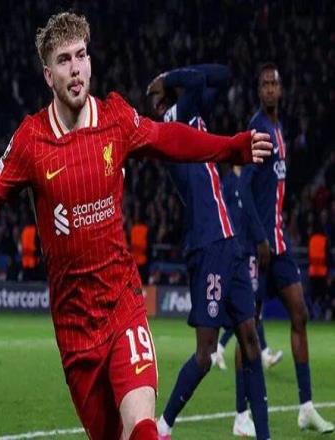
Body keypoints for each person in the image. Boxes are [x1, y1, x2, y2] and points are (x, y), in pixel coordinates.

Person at [0, 13, 271, 440]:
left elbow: (169, 138)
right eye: (64, 60)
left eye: (81, 55)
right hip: (74, 326)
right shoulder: (31, 141)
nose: (75, 69)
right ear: (48, 75)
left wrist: (231, 148)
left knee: (142, 426)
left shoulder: (116, 118)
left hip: (122, 303)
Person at [147, 65, 270, 440]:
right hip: (207, 244)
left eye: (156, 94)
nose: (153, 101)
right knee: (205, 354)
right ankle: (163, 426)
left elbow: (223, 75)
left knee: (250, 338)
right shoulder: (171, 123)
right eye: (153, 97)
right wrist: (168, 79)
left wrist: (170, 79)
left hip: (229, 241)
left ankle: (264, 435)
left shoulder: (193, 115)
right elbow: (200, 80)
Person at [242, 62, 333, 433]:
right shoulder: (259, 129)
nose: (269, 89)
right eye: (264, 84)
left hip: (278, 243)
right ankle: (242, 414)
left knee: (300, 313)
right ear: (258, 90)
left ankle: (306, 407)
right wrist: (259, 237)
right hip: (260, 246)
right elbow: (243, 188)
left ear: (281, 90)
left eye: (273, 84)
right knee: (248, 328)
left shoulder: (279, 129)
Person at [212, 165, 283, 373]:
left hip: (251, 249)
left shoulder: (250, 180)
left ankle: (227, 348)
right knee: (247, 307)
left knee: (252, 306)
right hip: (237, 250)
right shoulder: (228, 183)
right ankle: (258, 353)